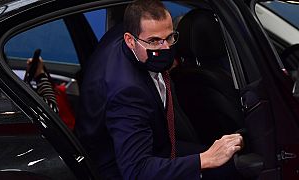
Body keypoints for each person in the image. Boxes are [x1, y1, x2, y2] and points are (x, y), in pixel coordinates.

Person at [75, 0, 243, 179]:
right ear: (130, 40)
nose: (166, 48)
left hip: (154, 145)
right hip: (121, 168)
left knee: (234, 162)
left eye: (170, 37)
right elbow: (137, 171)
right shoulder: (128, 92)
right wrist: (207, 159)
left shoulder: (133, 32)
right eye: (154, 41)